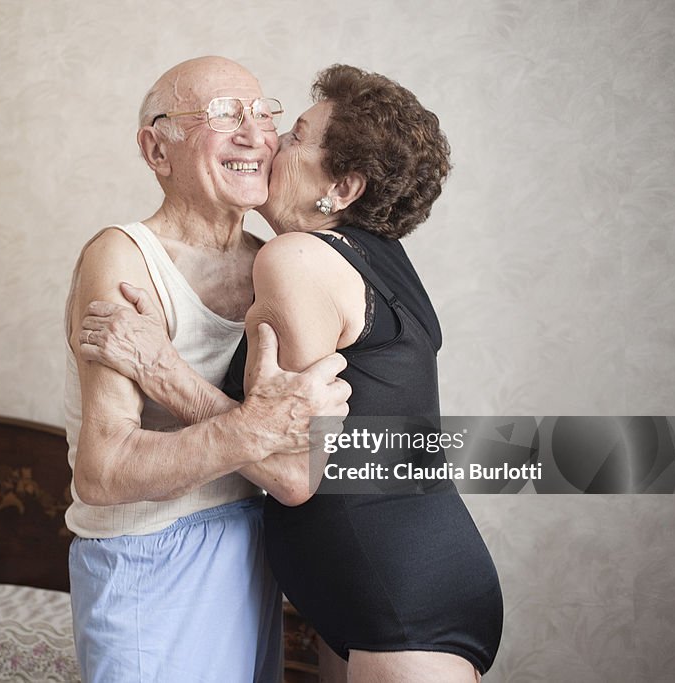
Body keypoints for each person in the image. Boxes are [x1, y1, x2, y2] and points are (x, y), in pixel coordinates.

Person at [79, 64, 503, 682]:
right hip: (390, 582)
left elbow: (289, 469)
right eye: (227, 117)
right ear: (155, 148)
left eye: (292, 134)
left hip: (395, 598)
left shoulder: (294, 258)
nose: (269, 142)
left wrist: (163, 369)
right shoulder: (378, 256)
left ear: (343, 188)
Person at [63, 56, 351, 683]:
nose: (254, 135)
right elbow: (103, 473)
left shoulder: (275, 263)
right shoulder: (123, 256)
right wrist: (256, 432)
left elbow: (303, 460)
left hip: (254, 547)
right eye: (223, 115)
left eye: (263, 113)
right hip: (148, 555)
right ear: (156, 149)